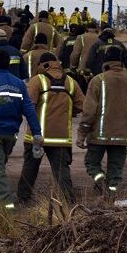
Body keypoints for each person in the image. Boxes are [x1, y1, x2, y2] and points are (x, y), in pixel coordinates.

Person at [0, 48, 42, 211]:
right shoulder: (19, 84)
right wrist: (37, 132)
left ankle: (8, 209)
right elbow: (29, 110)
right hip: (10, 135)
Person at [17, 52, 85, 205]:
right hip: (61, 138)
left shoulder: (37, 81)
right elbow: (82, 105)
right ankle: (68, 202)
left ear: (44, 65)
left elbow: (28, 106)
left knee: (30, 169)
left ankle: (23, 199)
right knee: (62, 172)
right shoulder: (71, 83)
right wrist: (68, 111)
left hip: (36, 136)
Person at [77, 46, 127, 196]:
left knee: (92, 163)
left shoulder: (98, 80)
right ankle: (110, 197)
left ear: (105, 63)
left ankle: (100, 179)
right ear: (121, 63)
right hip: (122, 138)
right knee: (116, 172)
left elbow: (89, 111)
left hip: (98, 136)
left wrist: (81, 135)